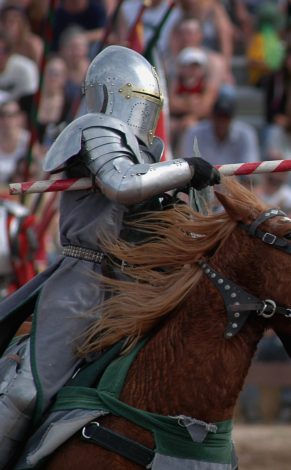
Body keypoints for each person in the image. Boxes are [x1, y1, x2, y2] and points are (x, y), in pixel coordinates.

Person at [0, 46, 220, 461]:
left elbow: (170, 222)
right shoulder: (95, 128)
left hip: (138, 288)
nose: (143, 113)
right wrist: (186, 169)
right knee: (25, 392)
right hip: (83, 283)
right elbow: (120, 183)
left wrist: (193, 189)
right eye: (140, 101)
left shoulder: (152, 159)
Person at [179, 88, 259, 165]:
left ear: (231, 118)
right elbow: (190, 167)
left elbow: (249, 170)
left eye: (225, 117)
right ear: (212, 116)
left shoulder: (246, 134)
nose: (221, 121)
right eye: (219, 116)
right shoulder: (194, 133)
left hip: (237, 179)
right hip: (204, 179)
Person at [0, 35, 38, 104]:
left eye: (0, 51)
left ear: (9, 53)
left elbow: (29, 99)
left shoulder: (26, 69)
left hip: (17, 111)